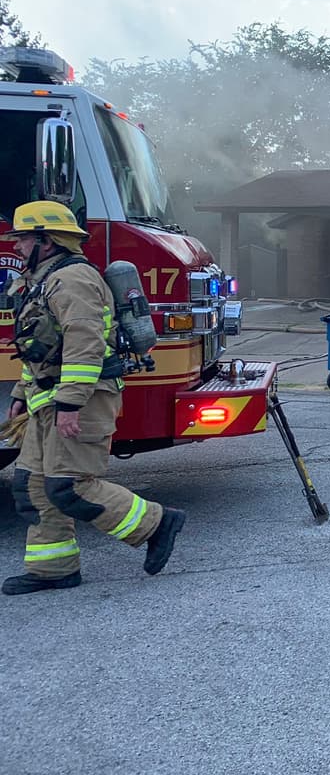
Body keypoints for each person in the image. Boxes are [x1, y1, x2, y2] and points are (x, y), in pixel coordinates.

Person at [1, 201, 185, 595]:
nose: (14, 246)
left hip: (82, 399)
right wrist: (20, 392)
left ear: (46, 242)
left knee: (71, 485)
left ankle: (156, 523)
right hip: (47, 398)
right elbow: (40, 346)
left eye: (22, 238)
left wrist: (70, 404)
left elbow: (84, 345)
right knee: (32, 486)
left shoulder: (73, 281)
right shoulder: (43, 280)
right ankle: (55, 570)